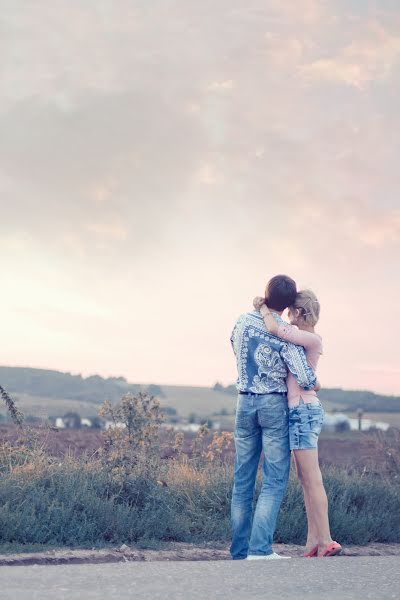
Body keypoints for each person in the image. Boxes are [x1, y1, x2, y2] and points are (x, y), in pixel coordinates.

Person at [230, 275, 317, 560]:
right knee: (274, 480)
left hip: (244, 402)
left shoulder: (242, 320)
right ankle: (260, 550)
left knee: (242, 479)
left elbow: (233, 343)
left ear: (266, 294)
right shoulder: (283, 332)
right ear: (289, 303)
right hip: (273, 406)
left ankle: (240, 552)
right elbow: (304, 377)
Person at [253, 289, 342, 557]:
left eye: (291, 311)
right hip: (300, 410)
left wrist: (263, 308)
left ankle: (326, 540)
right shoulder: (306, 339)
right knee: (305, 479)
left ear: (300, 312)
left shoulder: (310, 338)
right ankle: (313, 541)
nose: (288, 316)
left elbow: (275, 328)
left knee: (312, 479)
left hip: (303, 411)